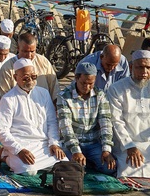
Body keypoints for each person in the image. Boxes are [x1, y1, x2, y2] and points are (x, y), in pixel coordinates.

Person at [0, 58, 67, 175]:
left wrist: (54, 143)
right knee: (29, 171)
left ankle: (6, 154)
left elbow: (52, 122)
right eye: (26, 78)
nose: (30, 80)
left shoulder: (44, 93)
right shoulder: (8, 99)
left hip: (44, 144)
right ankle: (4, 157)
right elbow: (2, 131)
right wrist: (19, 150)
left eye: (33, 77)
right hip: (21, 145)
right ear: (15, 78)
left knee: (65, 165)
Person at [57, 61, 116, 175]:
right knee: (72, 170)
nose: (87, 87)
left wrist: (106, 149)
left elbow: (106, 123)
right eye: (84, 83)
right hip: (72, 144)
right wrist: (76, 151)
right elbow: (66, 127)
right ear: (76, 78)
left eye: (91, 83)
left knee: (109, 168)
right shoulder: (64, 96)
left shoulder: (100, 95)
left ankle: (89, 162)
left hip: (93, 143)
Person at [106, 49, 150, 177]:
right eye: (140, 67)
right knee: (130, 170)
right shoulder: (116, 89)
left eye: (148, 68)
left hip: (148, 144)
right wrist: (129, 146)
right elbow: (116, 121)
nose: (144, 72)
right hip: (125, 145)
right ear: (131, 67)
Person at [0, 32, 60, 104]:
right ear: (18, 48)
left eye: (32, 51)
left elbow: (54, 88)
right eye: (25, 51)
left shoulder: (43, 62)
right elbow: (4, 96)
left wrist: (56, 105)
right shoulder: (7, 68)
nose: (29, 55)